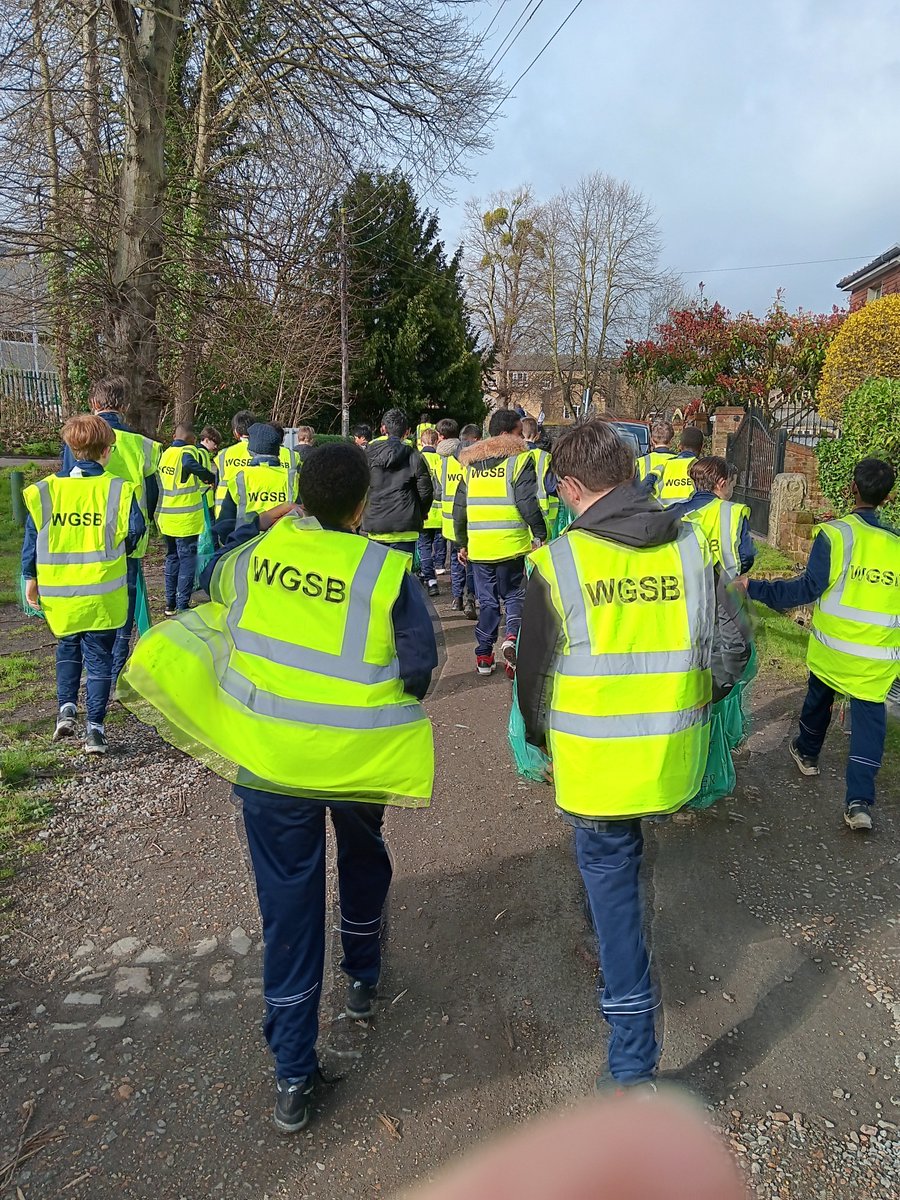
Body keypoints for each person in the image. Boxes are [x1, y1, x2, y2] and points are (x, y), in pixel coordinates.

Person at [120, 443, 438, 1133]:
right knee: (363, 857)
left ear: (297, 497)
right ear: (362, 506)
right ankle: (363, 977)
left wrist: (259, 524)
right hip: (356, 759)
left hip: (270, 763)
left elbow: (209, 575)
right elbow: (420, 667)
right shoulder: (385, 570)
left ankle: (293, 1074)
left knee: (289, 910)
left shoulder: (254, 557)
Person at [516, 419, 717, 1090]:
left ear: (572, 486)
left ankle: (632, 1065)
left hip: (597, 768)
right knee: (618, 879)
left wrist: (539, 742)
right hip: (672, 754)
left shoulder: (558, 562)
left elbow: (535, 681)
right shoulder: (692, 544)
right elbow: (731, 648)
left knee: (616, 893)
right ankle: (607, 954)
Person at [744, 458, 900, 832]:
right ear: (889, 497)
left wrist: (755, 588)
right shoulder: (896, 544)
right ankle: (859, 803)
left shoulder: (835, 535)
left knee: (818, 699)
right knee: (869, 728)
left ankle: (808, 753)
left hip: (833, 650)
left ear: (852, 489)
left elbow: (806, 589)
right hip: (876, 659)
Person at [22, 414, 145, 754]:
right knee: (99, 657)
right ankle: (95, 730)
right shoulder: (118, 489)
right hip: (103, 593)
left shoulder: (46, 490)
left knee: (67, 646)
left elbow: (32, 540)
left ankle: (66, 709)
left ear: (71, 448)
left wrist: (30, 578)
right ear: (106, 451)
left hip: (60, 593)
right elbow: (136, 532)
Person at [61, 377, 161, 680]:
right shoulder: (143, 445)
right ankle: (115, 671)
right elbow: (152, 492)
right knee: (123, 606)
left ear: (94, 403)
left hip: (85, 533)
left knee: (87, 598)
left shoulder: (78, 439)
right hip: (128, 536)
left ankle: (93, 665)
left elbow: (66, 486)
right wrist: (143, 522)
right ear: (125, 406)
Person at [453, 409, 546, 677]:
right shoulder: (519, 461)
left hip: (480, 547)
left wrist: (462, 543)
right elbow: (527, 503)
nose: (522, 438)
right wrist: (540, 533)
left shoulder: (470, 465)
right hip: (512, 545)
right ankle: (512, 638)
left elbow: (460, 509)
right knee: (515, 595)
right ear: (507, 433)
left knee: (488, 602)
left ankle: (484, 655)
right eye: (519, 432)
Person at [157, 424, 215, 616]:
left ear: (174, 436)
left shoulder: (166, 454)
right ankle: (182, 604)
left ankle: (169, 604)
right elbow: (189, 463)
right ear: (192, 439)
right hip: (185, 519)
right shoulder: (188, 451)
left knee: (172, 558)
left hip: (167, 516)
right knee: (187, 560)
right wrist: (209, 477)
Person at [362, 408, 433, 558]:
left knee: (378, 572)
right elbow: (425, 490)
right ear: (407, 432)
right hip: (405, 526)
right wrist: (421, 511)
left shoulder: (368, 455)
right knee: (403, 572)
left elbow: (360, 487)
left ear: (383, 428)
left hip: (376, 525)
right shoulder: (414, 456)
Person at [214, 422, 299, 543]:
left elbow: (225, 524)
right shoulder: (293, 478)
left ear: (250, 451)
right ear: (278, 451)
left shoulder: (240, 479)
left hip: (244, 544)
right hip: (282, 544)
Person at [671, 456, 755, 579]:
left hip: (680, 582)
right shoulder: (733, 512)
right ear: (722, 484)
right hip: (720, 584)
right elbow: (746, 556)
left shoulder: (673, 510)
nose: (732, 491)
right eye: (732, 486)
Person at [435, 418, 476, 619]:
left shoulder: (442, 461)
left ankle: (457, 598)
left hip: (450, 520)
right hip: (471, 517)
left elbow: (437, 491)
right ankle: (470, 598)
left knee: (454, 559)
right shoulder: (472, 460)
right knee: (471, 560)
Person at [416, 427, 445, 598]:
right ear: (436, 441)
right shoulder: (442, 459)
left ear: (421, 442)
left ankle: (430, 579)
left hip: (423, 512)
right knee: (439, 542)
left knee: (424, 546)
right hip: (441, 512)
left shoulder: (417, 458)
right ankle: (439, 566)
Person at [214, 410, 257, 514]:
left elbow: (217, 482)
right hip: (252, 510)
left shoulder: (223, 454)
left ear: (236, 432)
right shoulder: (261, 453)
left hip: (223, 510)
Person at [521, 416, 559, 534]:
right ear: (538, 435)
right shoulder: (545, 457)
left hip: (519, 518)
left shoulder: (513, 457)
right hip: (543, 517)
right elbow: (552, 487)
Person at [656, 425, 703, 507]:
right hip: (693, 514)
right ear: (702, 447)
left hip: (665, 513)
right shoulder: (702, 468)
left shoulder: (664, 465)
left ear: (679, 446)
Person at [635, 418, 677, 495]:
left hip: (647, 502)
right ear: (671, 440)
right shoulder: (681, 462)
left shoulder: (641, 462)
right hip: (676, 502)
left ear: (652, 440)